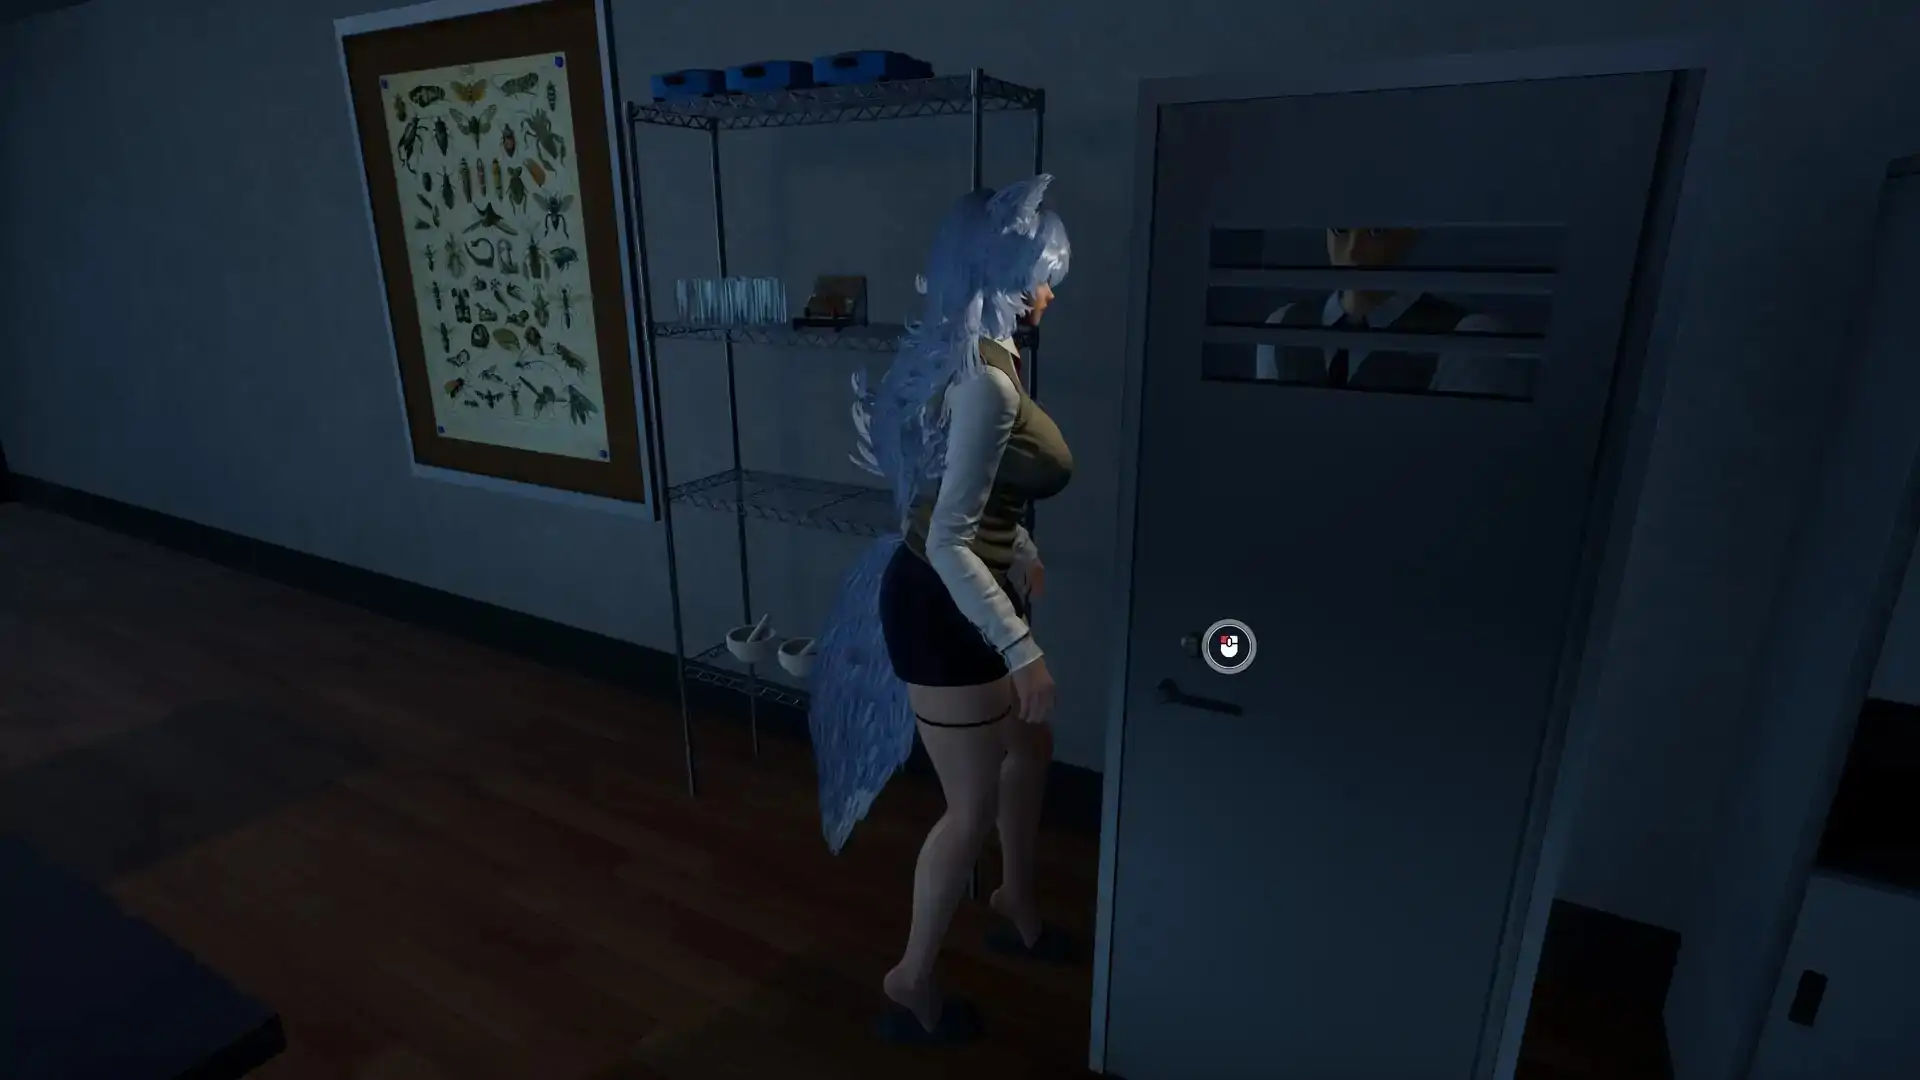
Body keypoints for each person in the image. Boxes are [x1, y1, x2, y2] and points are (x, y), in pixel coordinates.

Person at [806, 175, 1075, 1045]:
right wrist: (1023, 650)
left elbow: (966, 493)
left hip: (970, 590)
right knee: (968, 805)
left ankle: (1015, 898)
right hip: (943, 602)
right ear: (1002, 274)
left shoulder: (986, 360)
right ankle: (911, 977)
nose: (1048, 294)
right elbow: (951, 538)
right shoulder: (985, 382)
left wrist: (1019, 549)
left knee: (1030, 748)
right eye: (1041, 277)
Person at [1254, 226, 1531, 398]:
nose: (1353, 251)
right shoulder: (1281, 327)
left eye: (1375, 231)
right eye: (1340, 229)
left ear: (1410, 233)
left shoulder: (1466, 338)